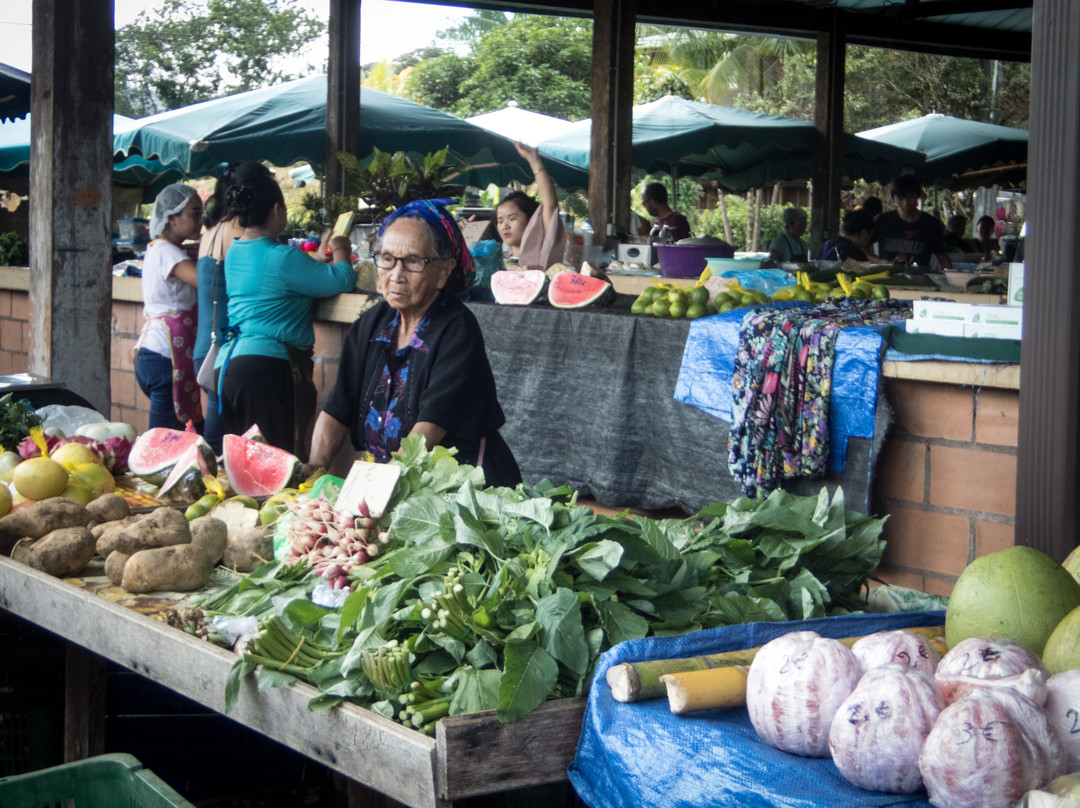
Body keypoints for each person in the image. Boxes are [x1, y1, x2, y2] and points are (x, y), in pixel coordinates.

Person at [306, 199, 521, 488]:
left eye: (413, 262)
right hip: (396, 484)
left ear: (444, 271)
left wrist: (376, 487)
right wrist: (315, 467)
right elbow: (337, 407)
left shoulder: (457, 329)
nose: (395, 275)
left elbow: (427, 431)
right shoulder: (372, 323)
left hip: (461, 488)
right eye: (386, 258)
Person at [214, 164, 356, 459]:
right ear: (277, 209)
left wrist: (314, 260)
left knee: (243, 463)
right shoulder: (284, 257)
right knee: (276, 465)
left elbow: (276, 277)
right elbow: (343, 278)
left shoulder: (235, 251)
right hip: (266, 371)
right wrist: (341, 247)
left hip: (229, 368)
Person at [134, 183, 204, 431]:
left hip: (155, 354)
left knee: (183, 434)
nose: (200, 221)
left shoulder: (160, 249)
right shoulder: (167, 251)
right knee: (167, 438)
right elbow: (206, 283)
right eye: (195, 214)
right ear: (172, 218)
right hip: (166, 358)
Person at [193, 163, 251, 454]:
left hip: (204, 346)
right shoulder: (240, 228)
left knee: (219, 438)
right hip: (224, 349)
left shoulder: (210, 230)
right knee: (220, 449)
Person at [495, 142, 566, 269]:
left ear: (531, 220)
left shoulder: (543, 252)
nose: (505, 226)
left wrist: (534, 160)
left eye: (512, 218)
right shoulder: (498, 259)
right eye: (500, 221)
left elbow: (550, 205)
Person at [873, 174, 953, 271]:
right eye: (900, 198)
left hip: (920, 281)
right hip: (886, 279)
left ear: (917, 197)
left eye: (910, 196)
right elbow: (860, 246)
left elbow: (942, 258)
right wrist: (880, 262)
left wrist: (951, 279)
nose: (905, 202)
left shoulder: (931, 224)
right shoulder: (882, 221)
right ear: (893, 199)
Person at [819, 209, 890, 264]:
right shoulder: (856, 254)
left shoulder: (826, 245)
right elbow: (865, 272)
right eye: (870, 235)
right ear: (864, 233)